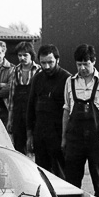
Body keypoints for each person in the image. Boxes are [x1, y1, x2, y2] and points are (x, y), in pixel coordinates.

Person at [61, 44, 99, 197]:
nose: (83, 68)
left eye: (86, 63)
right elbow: (66, 110)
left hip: (96, 139)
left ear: (94, 61)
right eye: (79, 64)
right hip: (75, 139)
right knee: (71, 184)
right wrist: (64, 138)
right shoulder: (69, 82)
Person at [26, 44, 70, 178]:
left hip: (58, 134)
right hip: (40, 133)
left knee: (60, 174)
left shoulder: (67, 79)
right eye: (43, 63)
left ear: (58, 60)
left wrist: (65, 138)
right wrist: (29, 136)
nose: (46, 67)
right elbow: (30, 108)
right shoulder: (37, 79)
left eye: (50, 62)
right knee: (41, 174)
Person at [7, 41, 40, 154]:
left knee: (35, 145)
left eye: (25, 55)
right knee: (19, 146)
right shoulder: (15, 71)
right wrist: (10, 119)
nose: (22, 58)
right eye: (20, 55)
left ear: (31, 55)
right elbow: (11, 97)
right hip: (18, 113)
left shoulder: (39, 70)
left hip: (34, 114)